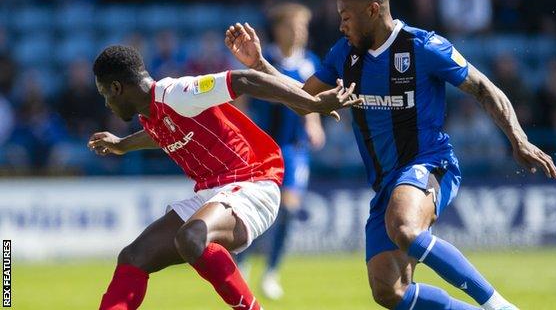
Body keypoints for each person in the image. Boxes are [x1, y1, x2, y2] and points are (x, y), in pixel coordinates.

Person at [225, 0, 556, 310]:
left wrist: (518, 139)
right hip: (386, 182)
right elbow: (299, 96)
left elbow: (484, 87)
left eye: (346, 17)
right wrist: (259, 65)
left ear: (372, 10)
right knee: (390, 291)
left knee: (404, 227)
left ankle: (499, 306)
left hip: (428, 163)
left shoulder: (423, 46)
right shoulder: (344, 53)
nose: (341, 26)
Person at [87, 45, 360, 310]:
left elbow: (243, 79)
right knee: (133, 257)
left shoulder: (177, 93)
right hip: (213, 192)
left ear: (116, 88)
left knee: (191, 237)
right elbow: (161, 132)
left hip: (254, 182)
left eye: (104, 95)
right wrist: (122, 145)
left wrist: (310, 102)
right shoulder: (152, 113)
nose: (107, 103)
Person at [235, 3, 325, 300]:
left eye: (304, 27)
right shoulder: (263, 59)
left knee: (287, 210)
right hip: (261, 147)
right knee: (255, 208)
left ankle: (271, 272)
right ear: (279, 29)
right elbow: (243, 97)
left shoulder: (310, 62)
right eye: (294, 26)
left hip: (294, 149)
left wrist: (314, 123)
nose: (300, 33)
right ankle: (244, 263)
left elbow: (309, 99)